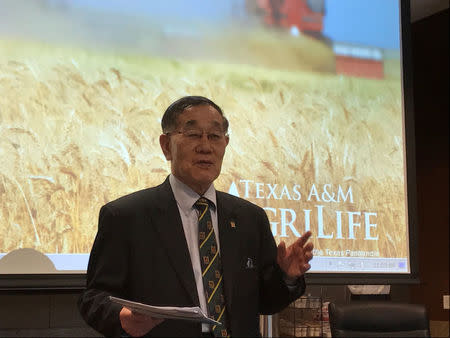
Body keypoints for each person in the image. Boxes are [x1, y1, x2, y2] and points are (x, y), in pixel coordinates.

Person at [78, 96, 314, 337]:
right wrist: (122, 318)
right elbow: (94, 298)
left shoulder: (250, 218)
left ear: (225, 143)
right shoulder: (125, 216)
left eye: (214, 136)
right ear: (166, 145)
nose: (205, 146)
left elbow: (267, 302)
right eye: (192, 135)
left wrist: (286, 277)